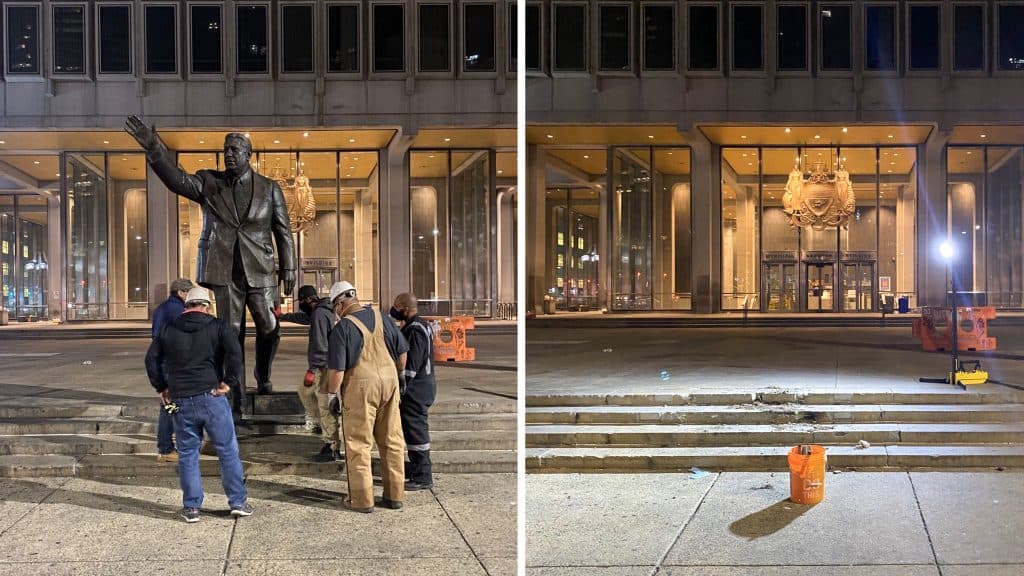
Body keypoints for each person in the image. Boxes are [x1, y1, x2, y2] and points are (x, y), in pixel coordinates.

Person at [125, 116, 296, 424]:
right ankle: (236, 394)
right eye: (225, 149)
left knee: (269, 326)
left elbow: (283, 231)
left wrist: (290, 268)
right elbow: (176, 180)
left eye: (235, 149)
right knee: (231, 333)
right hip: (223, 266)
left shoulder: (270, 189)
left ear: (248, 155)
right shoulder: (208, 182)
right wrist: (154, 149)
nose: (229, 154)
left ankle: (263, 373)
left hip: (260, 269)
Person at [144, 286, 254, 523]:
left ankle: (192, 507)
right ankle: (237, 502)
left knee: (187, 454)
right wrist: (229, 382)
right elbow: (235, 354)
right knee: (227, 451)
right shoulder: (218, 326)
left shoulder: (168, 329)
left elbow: (151, 360)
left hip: (180, 400)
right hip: (211, 397)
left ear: (187, 306)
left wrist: (161, 387)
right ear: (206, 306)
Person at [325, 281, 409, 513]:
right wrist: (400, 376)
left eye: (335, 307)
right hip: (389, 381)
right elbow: (402, 353)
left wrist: (332, 395)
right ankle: (394, 496)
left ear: (340, 303)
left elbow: (337, 370)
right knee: (391, 440)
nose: (336, 311)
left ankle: (361, 500)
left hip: (360, 386)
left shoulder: (343, 328)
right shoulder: (383, 318)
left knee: (358, 444)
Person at [278, 285, 344, 461]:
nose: (301, 305)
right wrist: (283, 316)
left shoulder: (320, 314)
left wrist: (312, 370)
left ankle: (332, 446)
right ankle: (323, 430)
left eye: (301, 301)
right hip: (327, 365)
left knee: (324, 404)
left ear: (307, 300)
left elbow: (320, 345)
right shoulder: (320, 310)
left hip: (323, 366)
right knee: (305, 392)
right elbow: (304, 317)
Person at [390, 292, 436, 490]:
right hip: (422, 387)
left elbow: (412, 364)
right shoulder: (419, 326)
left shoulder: (415, 329)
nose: (394, 309)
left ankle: (422, 476)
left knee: (416, 433)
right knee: (413, 431)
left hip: (417, 389)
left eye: (396, 306)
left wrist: (401, 386)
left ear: (404, 307)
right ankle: (418, 472)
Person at [150, 278, 195, 463]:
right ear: (181, 293)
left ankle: (168, 444)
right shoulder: (178, 310)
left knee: (170, 404)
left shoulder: (162, 308)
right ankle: (166, 448)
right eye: (190, 294)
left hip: (164, 361)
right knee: (169, 407)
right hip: (173, 363)